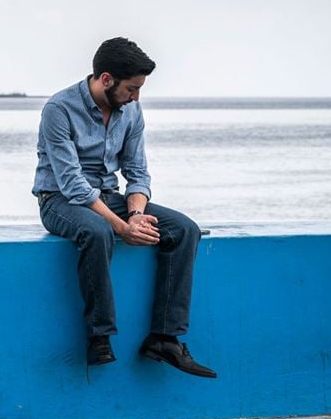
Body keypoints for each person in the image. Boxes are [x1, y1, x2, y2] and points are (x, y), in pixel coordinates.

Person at [33, 37, 216, 378]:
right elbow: (72, 184)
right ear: (106, 79)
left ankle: (165, 338)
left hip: (109, 196)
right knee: (98, 231)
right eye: (132, 88)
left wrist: (135, 214)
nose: (136, 97)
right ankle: (99, 336)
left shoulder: (131, 110)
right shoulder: (59, 109)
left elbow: (137, 172)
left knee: (184, 229)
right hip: (58, 199)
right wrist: (121, 227)